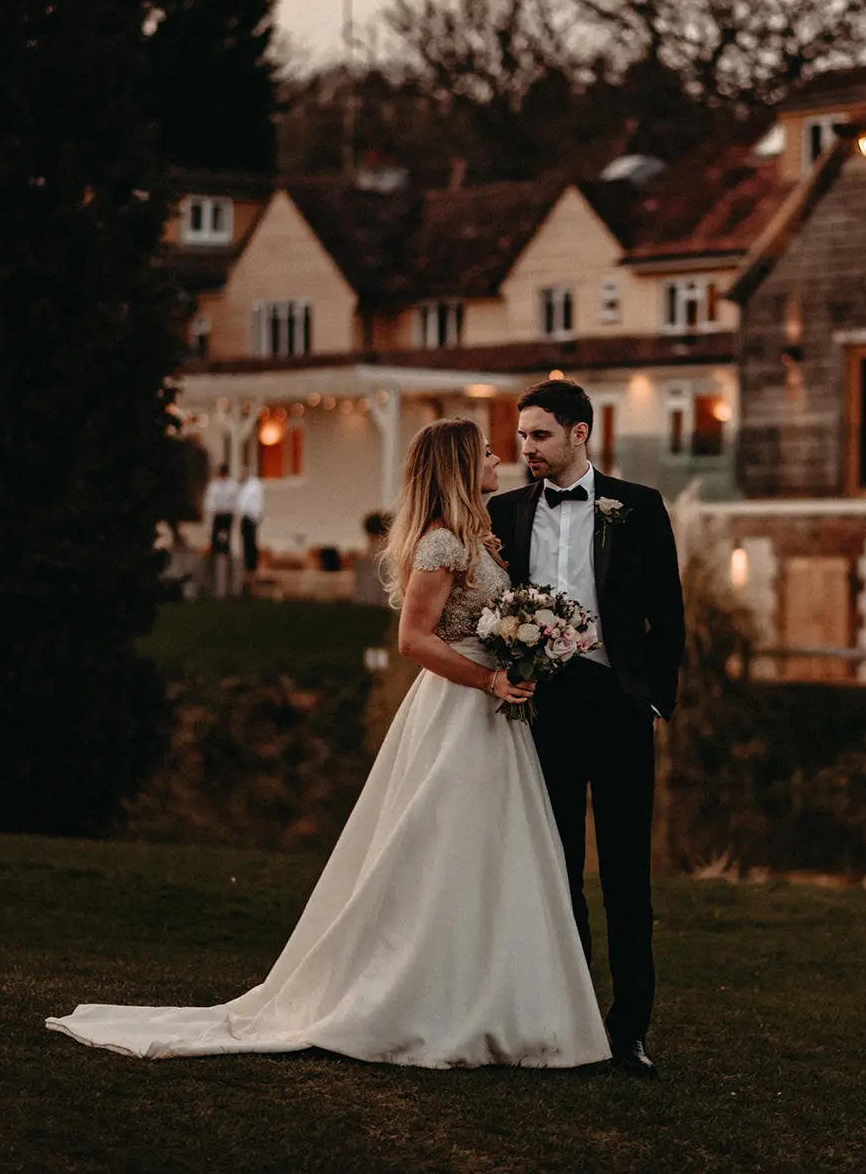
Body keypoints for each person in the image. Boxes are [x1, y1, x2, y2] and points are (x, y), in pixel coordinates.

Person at [45, 419, 608, 1069]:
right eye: (484, 451)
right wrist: (488, 675)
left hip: (491, 713)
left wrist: (523, 653)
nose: (497, 458)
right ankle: (427, 998)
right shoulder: (440, 544)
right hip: (457, 708)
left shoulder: (476, 539)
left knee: (491, 851)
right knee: (441, 847)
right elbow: (414, 640)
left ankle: (493, 999)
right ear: (457, 465)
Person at [487, 378, 685, 1079]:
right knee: (557, 871)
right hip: (546, 711)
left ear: (580, 434)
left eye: (540, 435)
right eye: (522, 437)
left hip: (623, 709)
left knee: (628, 876)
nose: (527, 448)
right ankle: (569, 1024)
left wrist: (656, 700)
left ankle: (628, 1031)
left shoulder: (638, 506)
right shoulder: (503, 512)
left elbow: (669, 613)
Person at [204, 464, 238, 598]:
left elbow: (233, 505)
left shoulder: (230, 486)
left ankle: (224, 588)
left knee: (223, 551)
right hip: (218, 518)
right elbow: (210, 505)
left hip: (225, 518)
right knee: (217, 551)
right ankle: (218, 587)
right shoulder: (214, 486)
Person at [235, 470, 264, 596]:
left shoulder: (252, 487)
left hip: (250, 519)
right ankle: (248, 577)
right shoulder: (249, 487)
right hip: (248, 519)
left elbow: (250, 505)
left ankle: (250, 579)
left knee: (249, 547)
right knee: (248, 548)